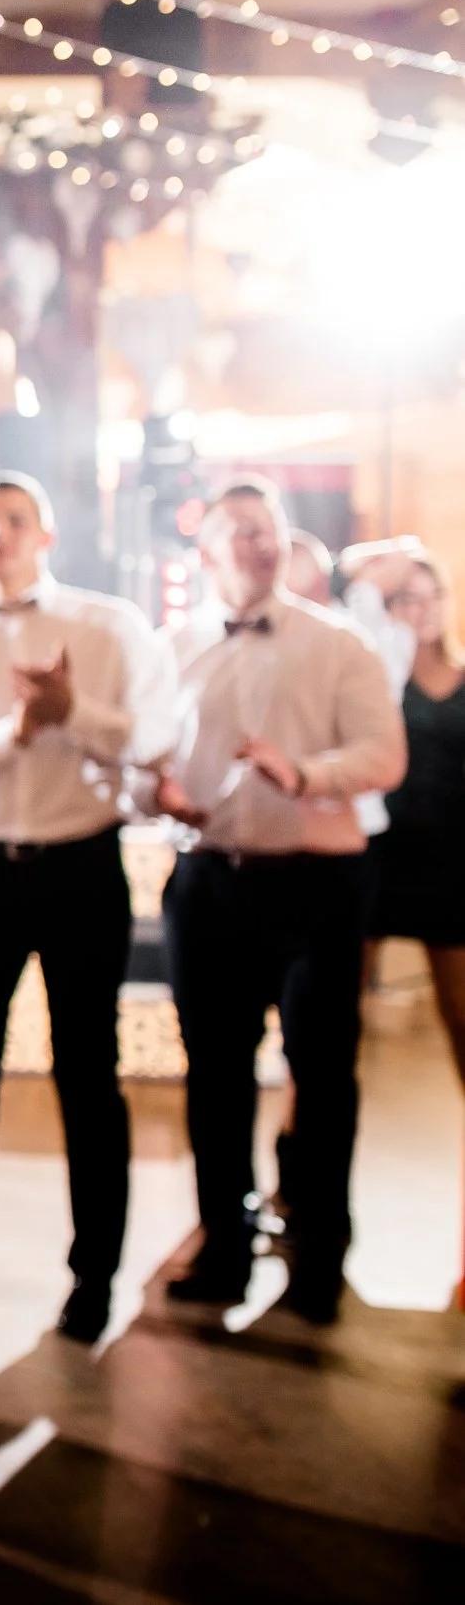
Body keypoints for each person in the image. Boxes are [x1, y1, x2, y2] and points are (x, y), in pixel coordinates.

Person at [0, 474, 175, 1344]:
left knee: (89, 1072)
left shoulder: (109, 625)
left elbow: (158, 735)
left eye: (15, 520)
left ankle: (95, 1275)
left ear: (46, 534)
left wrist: (70, 711)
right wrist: (9, 734)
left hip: (82, 863)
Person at [146, 482, 404, 1326]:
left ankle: (320, 1257)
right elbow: (142, 762)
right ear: (208, 552)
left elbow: (385, 755)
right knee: (215, 1077)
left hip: (318, 884)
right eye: (240, 533)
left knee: (323, 1075)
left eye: (270, 531)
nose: (259, 544)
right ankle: (223, 1245)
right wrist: (160, 795)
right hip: (209, 881)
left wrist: (307, 775)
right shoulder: (174, 646)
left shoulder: (340, 643)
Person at [359, 546, 465, 1309]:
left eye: (427, 594)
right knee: (327, 1034)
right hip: (374, 865)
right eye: (404, 597)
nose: (417, 607)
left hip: (454, 875)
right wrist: (381, 576)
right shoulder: (373, 674)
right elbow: (346, 574)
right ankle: (301, 1202)